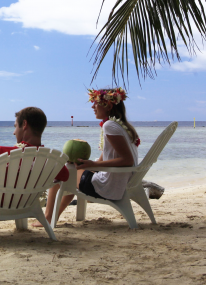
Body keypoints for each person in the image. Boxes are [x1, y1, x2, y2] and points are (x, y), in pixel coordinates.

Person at [34, 87, 140, 227]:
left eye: (95, 102)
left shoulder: (109, 126)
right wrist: (92, 164)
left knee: (60, 172)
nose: (92, 106)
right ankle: (53, 216)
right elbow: (109, 155)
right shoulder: (119, 125)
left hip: (108, 187)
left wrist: (93, 165)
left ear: (108, 106)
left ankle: (48, 217)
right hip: (119, 181)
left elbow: (127, 160)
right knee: (69, 172)